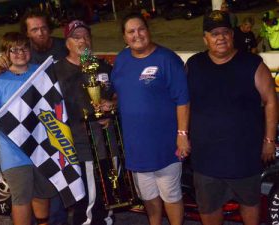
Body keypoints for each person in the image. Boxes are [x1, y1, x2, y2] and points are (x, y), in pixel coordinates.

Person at [186, 10, 278, 225]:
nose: (220, 38)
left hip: (244, 156)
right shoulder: (193, 65)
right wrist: (182, 134)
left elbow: (271, 101)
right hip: (206, 157)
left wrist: (269, 140)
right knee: (209, 207)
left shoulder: (253, 64)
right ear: (205, 38)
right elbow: (183, 103)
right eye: (214, 33)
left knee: (250, 204)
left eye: (225, 32)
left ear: (232, 35)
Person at [0, 9, 69, 225]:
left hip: (43, 148)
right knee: (21, 199)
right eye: (14, 50)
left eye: (23, 49)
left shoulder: (42, 71)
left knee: (43, 195)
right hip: (15, 153)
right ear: (6, 54)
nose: (20, 53)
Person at [110, 13, 190, 225]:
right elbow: (121, 93)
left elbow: (183, 99)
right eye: (131, 31)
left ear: (148, 30)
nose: (137, 35)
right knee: (148, 197)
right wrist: (110, 105)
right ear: (124, 37)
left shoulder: (167, 59)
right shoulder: (121, 60)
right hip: (136, 145)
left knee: (170, 195)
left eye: (141, 29)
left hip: (165, 143)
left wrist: (182, 135)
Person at [52, 19, 115, 225]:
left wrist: (112, 105)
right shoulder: (55, 72)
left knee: (108, 198)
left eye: (86, 36)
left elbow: (117, 95)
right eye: (76, 37)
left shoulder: (102, 65)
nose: (83, 41)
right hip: (80, 147)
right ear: (67, 43)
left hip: (107, 143)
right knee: (87, 201)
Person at [0, 9, 68, 81]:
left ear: (49, 28)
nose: (40, 33)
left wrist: (81, 66)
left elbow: (82, 57)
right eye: (34, 30)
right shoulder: (20, 52)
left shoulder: (66, 45)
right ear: (27, 33)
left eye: (44, 28)